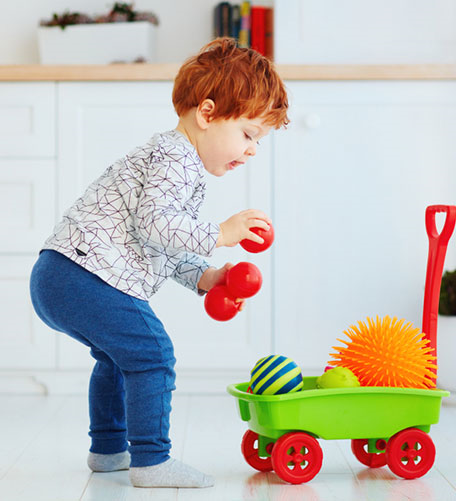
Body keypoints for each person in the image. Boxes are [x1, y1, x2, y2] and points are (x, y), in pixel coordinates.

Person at [29, 37, 289, 489]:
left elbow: (161, 243)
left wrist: (205, 277)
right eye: (248, 134)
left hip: (62, 274)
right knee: (152, 353)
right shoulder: (175, 157)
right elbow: (157, 223)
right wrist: (221, 234)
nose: (250, 150)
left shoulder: (177, 161)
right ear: (206, 114)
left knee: (119, 356)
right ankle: (151, 460)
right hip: (85, 273)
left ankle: (109, 450)